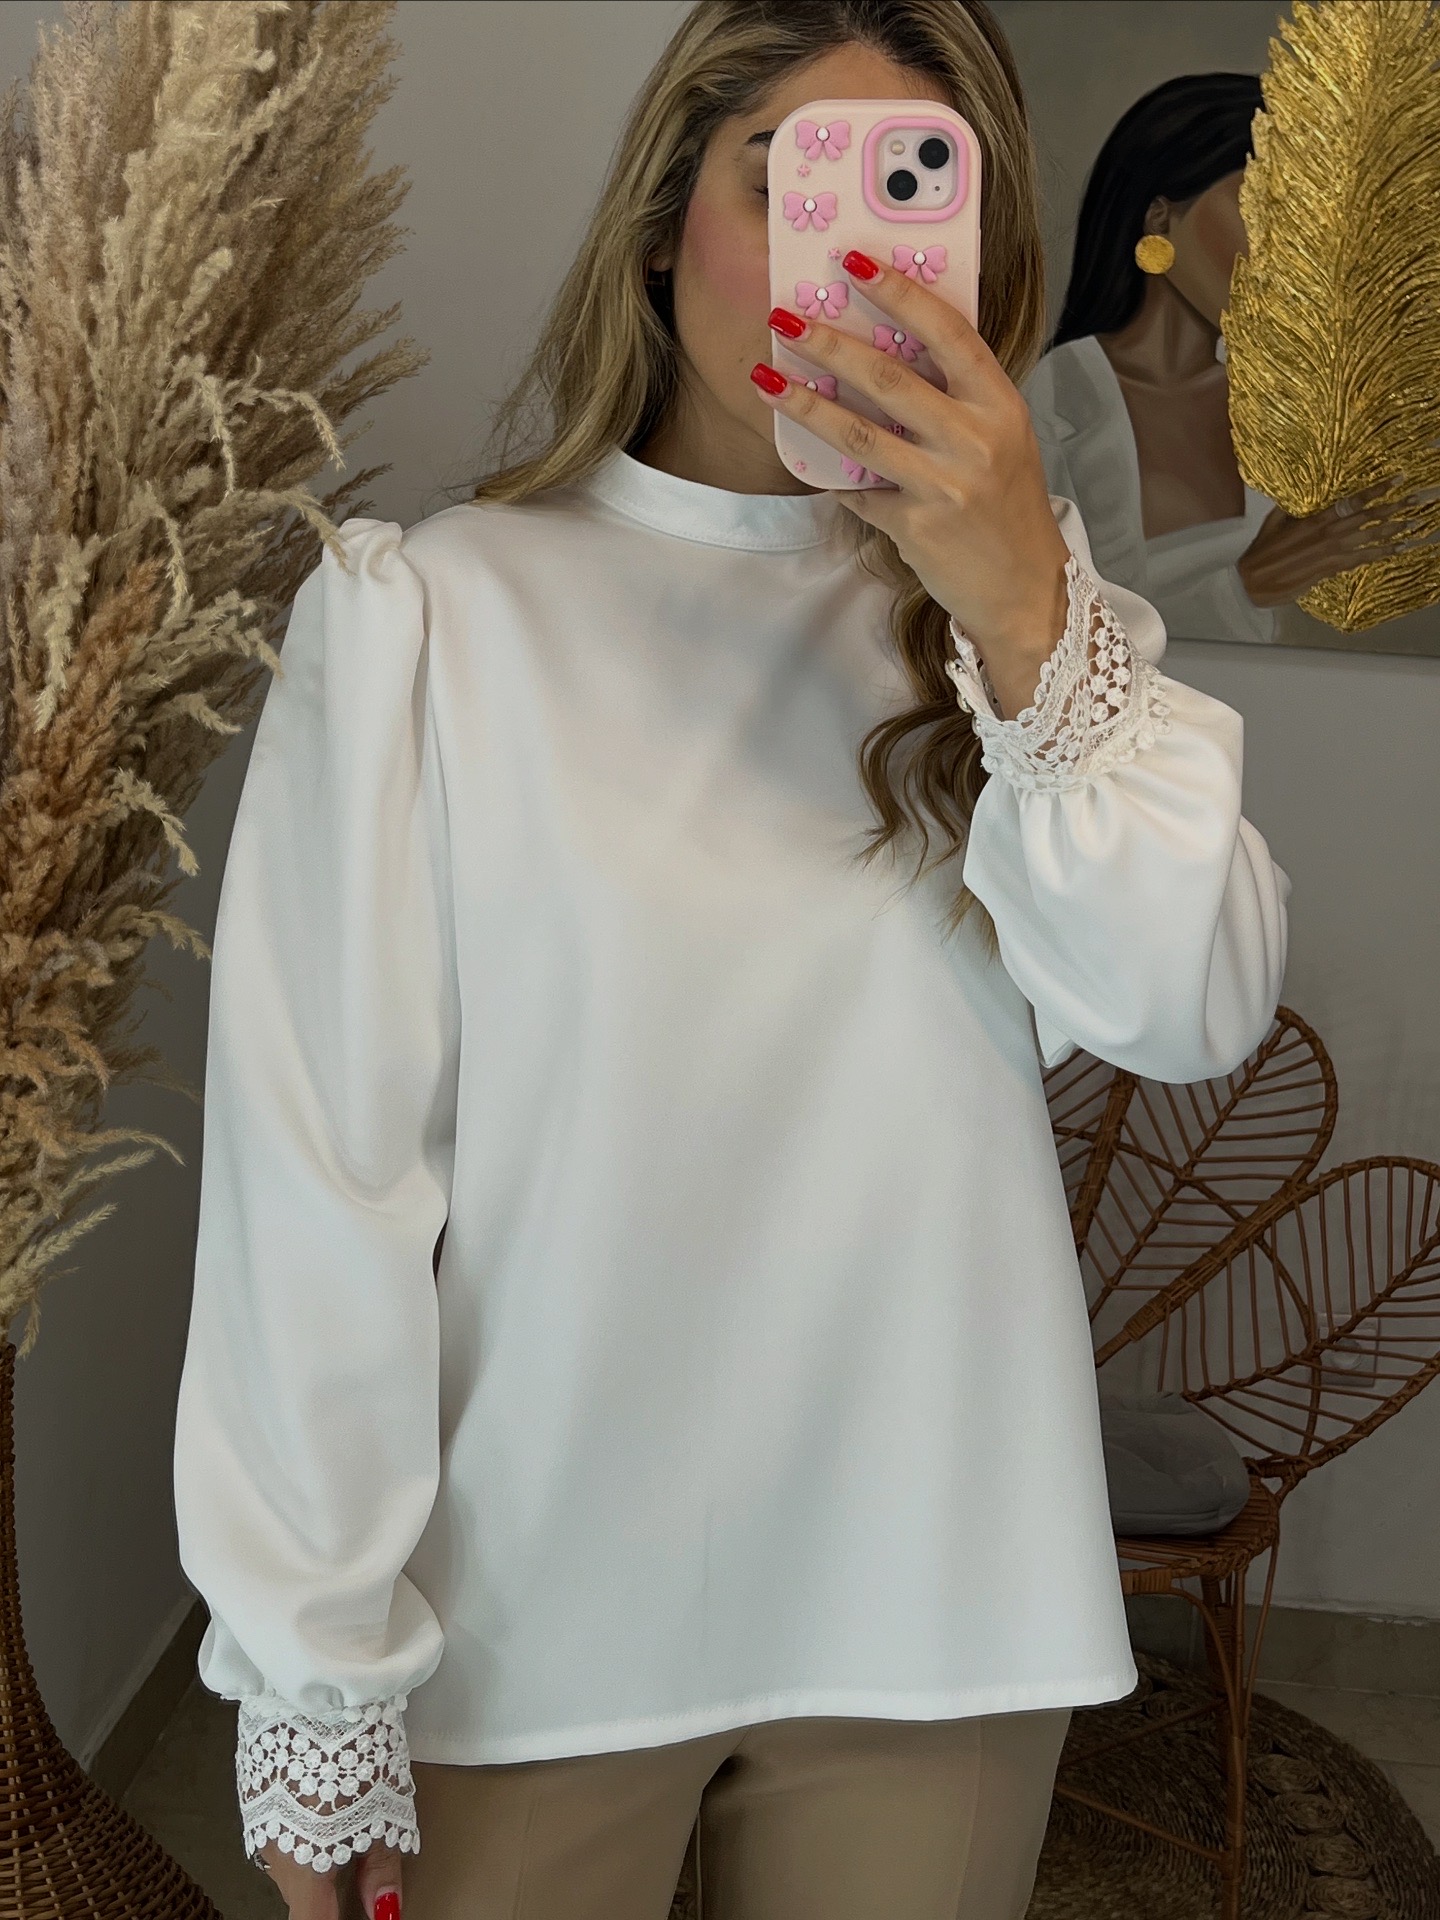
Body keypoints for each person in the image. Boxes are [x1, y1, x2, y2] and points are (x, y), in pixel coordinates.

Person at [171, 5, 1290, 1917]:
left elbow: (1186, 1008)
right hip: (528, 1619)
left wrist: (1025, 613)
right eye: (790, 186)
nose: (849, 260)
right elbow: (322, 1178)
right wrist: (311, 1667)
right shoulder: (435, 613)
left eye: (918, 201)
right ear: (660, 221)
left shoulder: (1034, 633)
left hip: (938, 1611)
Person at [1028, 72, 1418, 645]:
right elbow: (1045, 639)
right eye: (1260, 209)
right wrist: (1246, 586)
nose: (1284, 256)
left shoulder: (1286, 405)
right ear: (1159, 218)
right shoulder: (1059, 401)